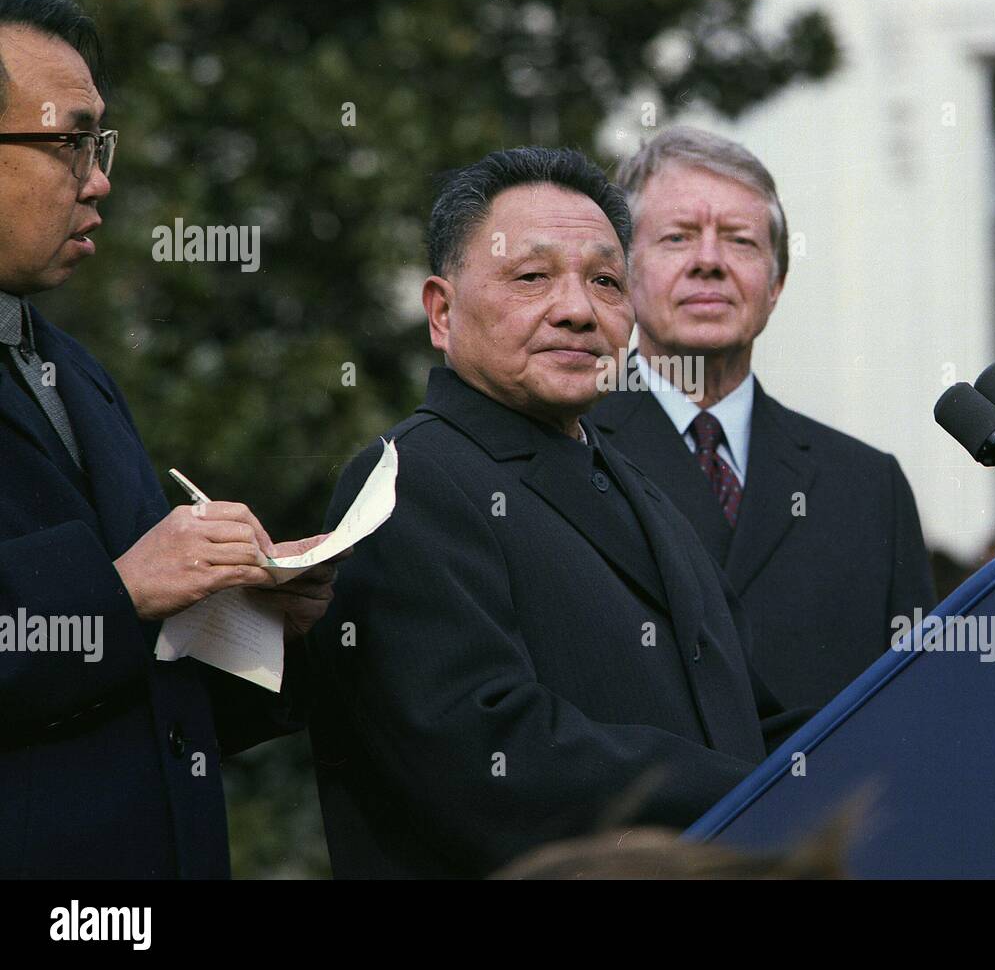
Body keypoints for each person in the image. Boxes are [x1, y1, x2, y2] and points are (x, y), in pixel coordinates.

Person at [307, 147, 803, 879]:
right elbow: (490, 757)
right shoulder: (410, 482)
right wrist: (762, 798)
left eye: (605, 280)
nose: (576, 310)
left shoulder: (636, 482)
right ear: (442, 312)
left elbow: (743, 716)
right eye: (532, 276)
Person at [0, 0, 337, 878]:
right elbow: (115, 607)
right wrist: (120, 589)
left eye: (98, 143)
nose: (100, 177)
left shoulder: (75, 371)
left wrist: (258, 627)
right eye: (69, 141)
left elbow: (141, 695)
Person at [590, 126, 935, 709]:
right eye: (677, 238)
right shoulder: (567, 448)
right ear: (623, 275)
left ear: (775, 284)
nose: (709, 262)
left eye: (739, 241)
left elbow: (921, 705)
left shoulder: (868, 486)